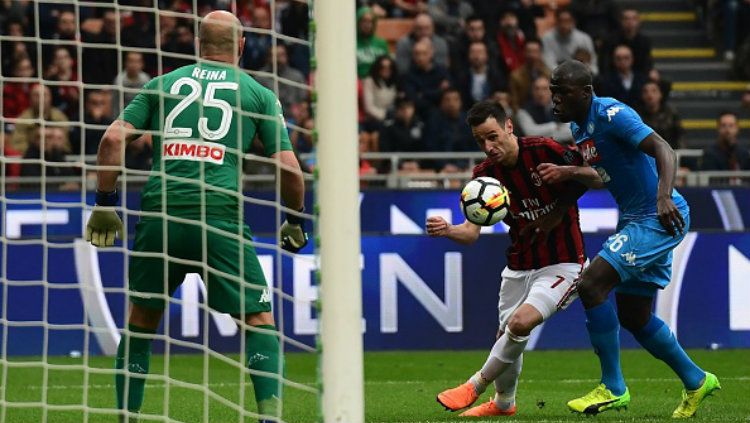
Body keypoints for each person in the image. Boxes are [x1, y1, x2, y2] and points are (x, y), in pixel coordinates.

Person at [84, 11, 307, 423]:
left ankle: (127, 418)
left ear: (198, 45)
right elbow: (290, 168)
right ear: (241, 46)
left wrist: (104, 203)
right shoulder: (256, 92)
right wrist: (295, 219)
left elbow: (112, 138)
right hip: (219, 217)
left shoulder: (162, 84)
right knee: (258, 319)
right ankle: (269, 417)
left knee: (140, 322)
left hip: (161, 214)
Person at [541, 60, 719, 417]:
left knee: (591, 285)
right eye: (552, 91)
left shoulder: (611, 114)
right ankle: (697, 380)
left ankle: (613, 386)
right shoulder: (580, 126)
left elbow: (663, 148)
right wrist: (569, 180)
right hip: (637, 220)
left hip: (657, 217)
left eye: (562, 91)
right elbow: (604, 174)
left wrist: (663, 195)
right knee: (635, 317)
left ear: (585, 92)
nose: (555, 99)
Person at [431, 99, 595, 417]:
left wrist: (557, 212)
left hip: (563, 261)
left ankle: (474, 386)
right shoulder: (484, 177)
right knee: (505, 336)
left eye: (493, 136)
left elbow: (594, 175)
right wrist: (448, 229)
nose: (488, 146)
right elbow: (470, 234)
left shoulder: (544, 150)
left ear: (509, 126)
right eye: (480, 141)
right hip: (519, 266)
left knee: (520, 324)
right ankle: (504, 404)